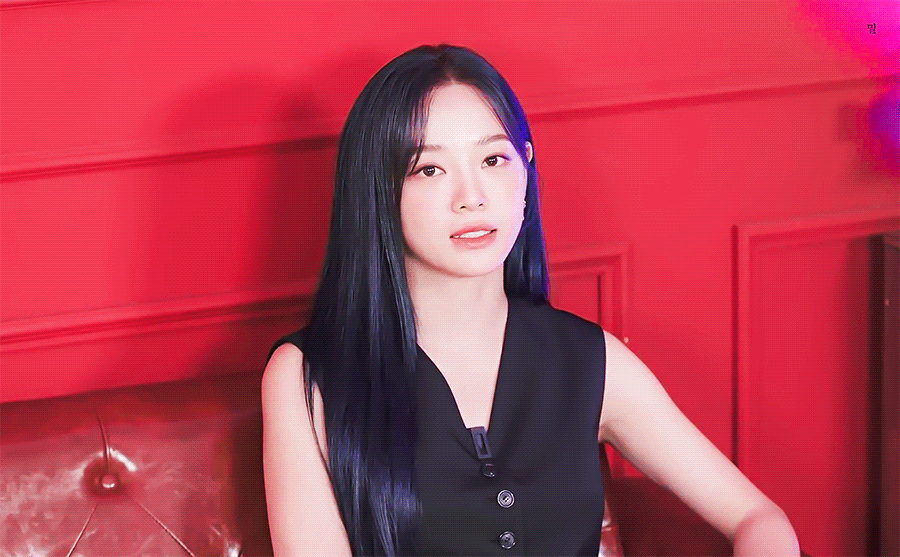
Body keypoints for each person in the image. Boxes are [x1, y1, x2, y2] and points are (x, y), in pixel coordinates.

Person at [261, 44, 801, 557]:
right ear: (378, 190)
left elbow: (758, 517)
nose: (471, 196)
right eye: (429, 169)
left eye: (493, 160)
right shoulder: (305, 377)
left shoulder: (588, 358)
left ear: (526, 166)